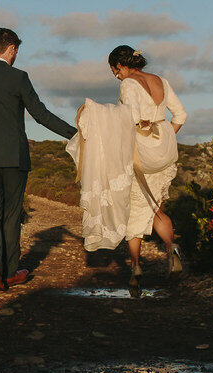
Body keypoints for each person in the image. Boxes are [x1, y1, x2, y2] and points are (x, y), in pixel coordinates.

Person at [0, 28, 78, 292]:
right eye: (16, 51)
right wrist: (75, 134)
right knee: (11, 215)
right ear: (11, 49)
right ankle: (10, 273)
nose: (16, 56)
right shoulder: (19, 78)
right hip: (14, 156)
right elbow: (41, 115)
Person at [65, 45, 186, 278]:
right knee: (157, 207)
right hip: (165, 152)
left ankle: (135, 268)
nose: (116, 76)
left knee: (135, 212)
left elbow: (129, 119)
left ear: (121, 65)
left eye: (115, 71)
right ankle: (172, 247)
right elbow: (180, 115)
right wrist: (164, 138)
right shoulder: (162, 81)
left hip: (141, 155)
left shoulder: (129, 84)